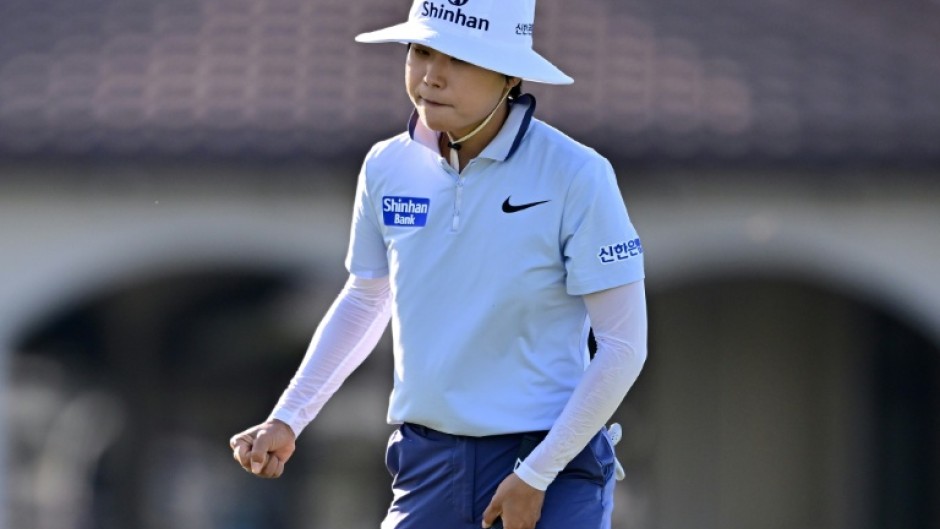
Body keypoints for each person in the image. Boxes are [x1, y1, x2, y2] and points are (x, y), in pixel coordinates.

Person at [230, 1, 648, 528]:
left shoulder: (577, 174)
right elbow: (366, 299)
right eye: (422, 51)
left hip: (552, 463)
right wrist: (288, 417)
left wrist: (538, 474)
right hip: (426, 464)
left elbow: (623, 346)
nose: (432, 76)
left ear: (510, 76)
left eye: (460, 59)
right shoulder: (385, 166)